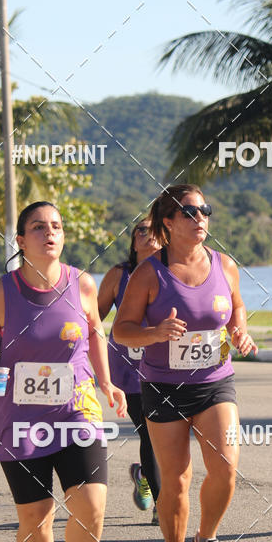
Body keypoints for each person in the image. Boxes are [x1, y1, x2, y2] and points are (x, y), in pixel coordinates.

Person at [0, 202, 126, 542]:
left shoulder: (84, 285)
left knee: (92, 505)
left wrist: (107, 382)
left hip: (77, 411)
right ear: (21, 241)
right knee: (36, 517)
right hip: (20, 419)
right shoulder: (1, 293)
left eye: (56, 226)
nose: (49, 233)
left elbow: (95, 335)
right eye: (38, 227)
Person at [113, 184, 257, 542]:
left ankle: (205, 539)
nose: (200, 219)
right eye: (190, 212)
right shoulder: (148, 273)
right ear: (169, 222)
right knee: (175, 480)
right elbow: (122, 331)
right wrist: (155, 332)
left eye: (205, 211)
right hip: (163, 386)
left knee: (226, 469)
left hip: (216, 382)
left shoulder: (224, 264)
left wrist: (240, 332)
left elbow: (237, 306)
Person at [98, 219, 161, 524]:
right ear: (133, 241)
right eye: (142, 232)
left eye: (155, 231)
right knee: (151, 436)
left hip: (167, 368)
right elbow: (92, 318)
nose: (149, 237)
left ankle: (143, 474)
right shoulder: (118, 276)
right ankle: (163, 506)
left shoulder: (174, 270)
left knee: (164, 437)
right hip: (128, 371)